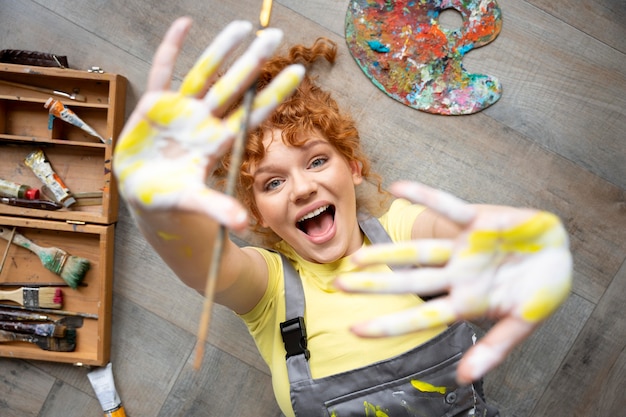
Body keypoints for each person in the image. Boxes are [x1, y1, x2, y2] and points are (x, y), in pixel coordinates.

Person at [113, 17, 572, 417]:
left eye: (316, 161)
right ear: (258, 214)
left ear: (352, 169)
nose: (302, 187)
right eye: (272, 183)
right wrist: (155, 208)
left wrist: (517, 240)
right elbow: (203, 265)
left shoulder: (401, 232)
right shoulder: (267, 289)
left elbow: (461, 231)